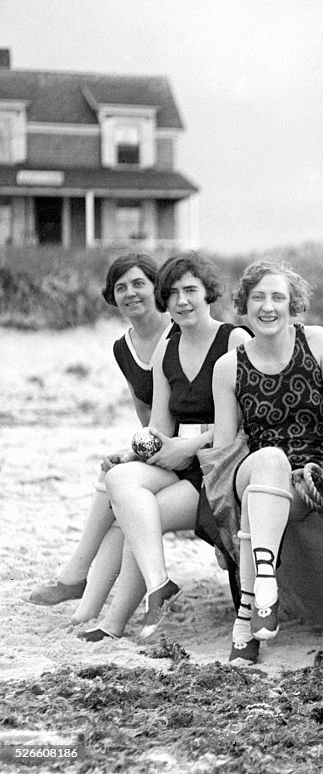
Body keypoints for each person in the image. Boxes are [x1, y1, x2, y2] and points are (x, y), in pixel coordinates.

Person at [101, 253, 250, 639]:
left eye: (190, 291)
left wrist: (190, 447)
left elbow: (251, 420)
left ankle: (115, 622)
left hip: (225, 462)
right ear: (164, 302)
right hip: (189, 460)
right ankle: (157, 585)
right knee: (121, 479)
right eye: (173, 294)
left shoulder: (234, 339)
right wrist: (135, 452)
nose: (182, 301)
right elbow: (160, 426)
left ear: (207, 294)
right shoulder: (167, 350)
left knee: (141, 514)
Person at [29, 254, 172, 632]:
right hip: (160, 444)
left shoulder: (180, 332)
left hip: (191, 450)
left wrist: (142, 456)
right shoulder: (123, 347)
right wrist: (135, 453)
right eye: (121, 287)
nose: (130, 294)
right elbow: (147, 416)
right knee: (115, 478)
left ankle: (76, 578)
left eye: (139, 283)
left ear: (158, 287)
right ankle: (86, 608)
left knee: (117, 488)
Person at [207, 261, 323, 665]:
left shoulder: (316, 343)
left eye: (278, 297)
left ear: (293, 304)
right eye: (258, 297)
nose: (268, 306)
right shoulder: (229, 367)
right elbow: (225, 453)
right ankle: (266, 582)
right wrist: (221, 516)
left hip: (308, 479)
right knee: (269, 460)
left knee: (262, 503)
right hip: (255, 470)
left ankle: (245, 620)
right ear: (243, 306)